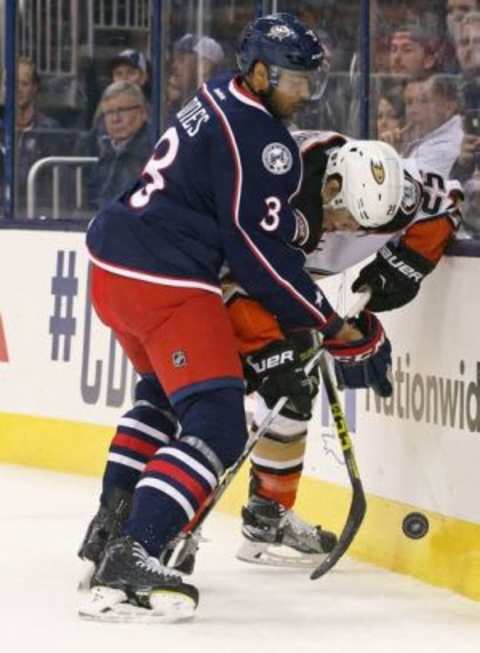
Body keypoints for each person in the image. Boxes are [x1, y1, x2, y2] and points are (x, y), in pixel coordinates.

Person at [77, 13, 392, 623]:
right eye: (296, 79)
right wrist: (325, 323)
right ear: (259, 72)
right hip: (163, 280)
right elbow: (256, 257)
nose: (307, 92)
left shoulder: (219, 94)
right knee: (217, 421)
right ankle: (134, 551)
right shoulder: (265, 139)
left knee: (162, 397)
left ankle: (111, 521)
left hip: (112, 262)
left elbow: (238, 222)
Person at [233, 129, 462, 566]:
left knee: (293, 393)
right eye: (348, 218)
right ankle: (139, 519)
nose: (352, 232)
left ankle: (268, 514)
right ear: (331, 188)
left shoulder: (398, 191)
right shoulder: (274, 188)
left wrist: (395, 273)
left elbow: (447, 203)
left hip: (287, 284)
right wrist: (334, 329)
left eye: (365, 227)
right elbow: (236, 274)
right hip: (224, 283)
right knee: (211, 395)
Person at [75, 81, 151, 211]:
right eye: (109, 112)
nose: (115, 119)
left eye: (122, 110)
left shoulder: (153, 150)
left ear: (142, 112)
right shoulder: (97, 149)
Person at [400, 74, 464, 178]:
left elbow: (407, 183)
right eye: (409, 102)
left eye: (424, 101)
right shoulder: (419, 137)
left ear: (448, 107)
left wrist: (390, 153)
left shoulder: (448, 146)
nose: (413, 110)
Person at [166, 32, 225, 119]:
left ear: (204, 67)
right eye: (174, 60)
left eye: (181, 60)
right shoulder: (180, 101)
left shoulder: (213, 108)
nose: (174, 65)